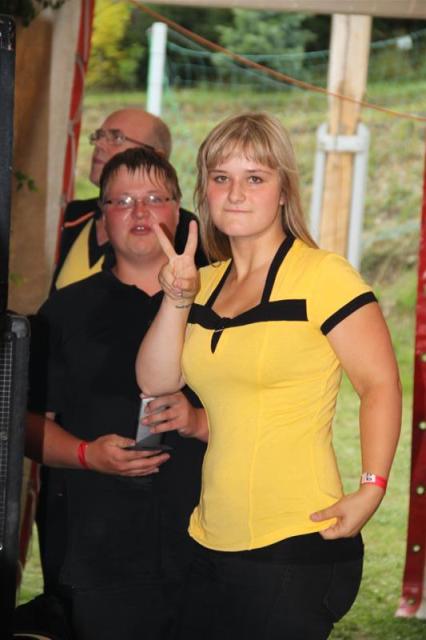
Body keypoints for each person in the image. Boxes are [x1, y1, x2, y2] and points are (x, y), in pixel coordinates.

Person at [136, 112, 402, 639]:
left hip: (296, 537)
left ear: (283, 191)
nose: (235, 193)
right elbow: (156, 381)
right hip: (209, 534)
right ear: (206, 190)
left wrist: (371, 488)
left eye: (254, 178)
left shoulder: (323, 276)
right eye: (221, 178)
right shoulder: (202, 281)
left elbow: (380, 386)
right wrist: (177, 298)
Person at [25, 146, 208, 640]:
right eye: (122, 201)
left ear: (180, 212)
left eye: (154, 198)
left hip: (210, 542)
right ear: (102, 220)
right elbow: (27, 425)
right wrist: (87, 455)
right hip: (100, 547)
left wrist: (198, 421)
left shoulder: (219, 306)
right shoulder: (64, 312)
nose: (140, 211)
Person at [52, 107, 204, 290]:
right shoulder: (77, 214)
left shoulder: (184, 231)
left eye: (116, 138)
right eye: (99, 136)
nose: (99, 145)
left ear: (156, 156)